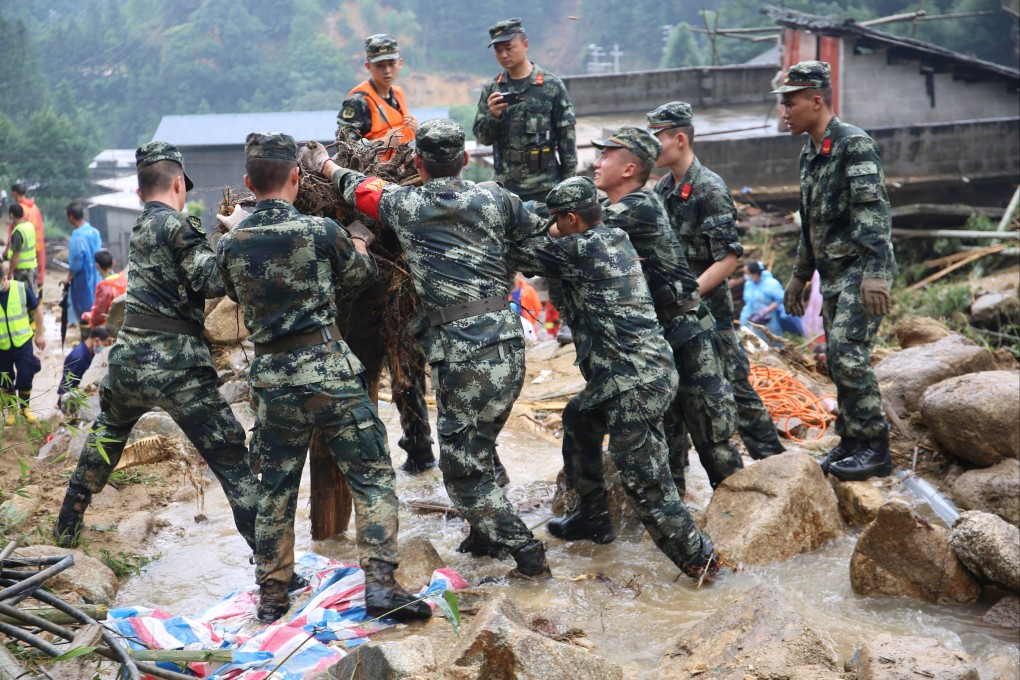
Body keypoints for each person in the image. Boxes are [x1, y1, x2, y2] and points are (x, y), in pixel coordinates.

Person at [299, 119, 551, 579]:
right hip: (509, 345)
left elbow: (361, 189)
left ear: (417, 163)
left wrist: (325, 163)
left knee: (459, 466)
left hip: (463, 352)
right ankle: (483, 536)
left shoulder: (406, 203)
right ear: (465, 160)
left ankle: (527, 553)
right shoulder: (498, 197)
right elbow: (537, 246)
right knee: (480, 442)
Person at [216, 132, 431, 623]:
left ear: (249, 183)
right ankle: (379, 587)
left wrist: (237, 230)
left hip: (272, 382)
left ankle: (272, 597)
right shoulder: (320, 231)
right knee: (373, 476)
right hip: (328, 372)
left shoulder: (232, 244)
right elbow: (362, 275)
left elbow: (225, 286)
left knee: (275, 488)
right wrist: (357, 235)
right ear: (297, 177)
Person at [53, 142, 260, 556]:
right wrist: (239, 232)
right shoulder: (179, 226)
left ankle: (66, 527)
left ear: (138, 192)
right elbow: (212, 281)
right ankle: (273, 565)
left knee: (107, 436)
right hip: (176, 366)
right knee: (231, 457)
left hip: (129, 360)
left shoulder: (142, 226)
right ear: (179, 184)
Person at [514, 176, 718, 580]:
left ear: (571, 219)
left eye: (558, 220)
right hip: (633, 374)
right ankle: (593, 517)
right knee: (578, 418)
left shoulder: (581, 248)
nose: (555, 226)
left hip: (635, 382)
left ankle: (702, 562)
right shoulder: (615, 237)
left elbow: (524, 253)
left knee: (647, 485)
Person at [773, 61, 896, 481]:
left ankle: (876, 447)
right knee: (834, 358)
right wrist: (800, 275)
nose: (784, 113)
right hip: (833, 273)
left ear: (817, 100)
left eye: (790, 103)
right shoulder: (810, 153)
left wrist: (876, 273)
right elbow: (811, 223)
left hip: (861, 270)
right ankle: (853, 438)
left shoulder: (853, 144)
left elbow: (873, 212)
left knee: (848, 352)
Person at [649, 101, 785, 460]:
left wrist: (689, 295)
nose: (651, 147)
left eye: (657, 138)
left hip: (708, 311)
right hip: (675, 313)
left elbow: (727, 258)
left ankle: (774, 459)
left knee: (734, 384)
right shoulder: (663, 189)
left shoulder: (709, 188)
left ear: (679, 139)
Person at [473, 18, 577, 203]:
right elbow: (483, 138)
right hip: (505, 188)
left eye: (509, 48)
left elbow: (566, 138)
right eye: (498, 50)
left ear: (525, 44)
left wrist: (568, 186)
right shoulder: (492, 88)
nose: (503, 55)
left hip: (545, 187)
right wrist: (493, 116)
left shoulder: (551, 85)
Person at [338, 34, 418, 156]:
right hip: (373, 172)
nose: (387, 70)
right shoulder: (358, 101)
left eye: (391, 64)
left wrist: (418, 131)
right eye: (380, 65)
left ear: (400, 63)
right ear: (368, 66)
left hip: (405, 170)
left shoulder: (398, 94)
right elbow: (344, 147)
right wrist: (382, 143)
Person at [0, 262, 45, 426]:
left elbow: (37, 310)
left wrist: (39, 334)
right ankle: (11, 410)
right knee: (4, 380)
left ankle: (25, 408)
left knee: (26, 374)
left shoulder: (20, 288)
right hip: (2, 346)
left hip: (23, 342)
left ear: (4, 278)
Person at [63, 202, 103, 335]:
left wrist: (68, 279)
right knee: (97, 311)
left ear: (70, 217)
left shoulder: (77, 237)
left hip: (83, 282)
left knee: (85, 314)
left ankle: (88, 343)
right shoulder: (95, 232)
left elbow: (76, 263)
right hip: (97, 279)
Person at [58, 326, 112, 414]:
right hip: (71, 402)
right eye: (105, 345)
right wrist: (65, 411)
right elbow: (65, 386)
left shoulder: (88, 352)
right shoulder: (79, 358)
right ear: (97, 341)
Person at [10, 183, 45, 296]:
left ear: (14, 193)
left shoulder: (19, 210)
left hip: (21, 265)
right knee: (34, 292)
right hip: (35, 259)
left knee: (21, 295)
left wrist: (10, 269)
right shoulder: (35, 209)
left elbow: (15, 249)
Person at [739, 261, 786, 341]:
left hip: (767, 319)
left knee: (769, 341)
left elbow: (779, 299)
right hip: (749, 317)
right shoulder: (749, 284)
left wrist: (763, 312)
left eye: (747, 273)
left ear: (755, 273)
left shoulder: (771, 283)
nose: (746, 275)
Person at [82, 249, 128, 328]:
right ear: (113, 263)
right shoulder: (123, 279)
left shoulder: (103, 286)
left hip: (110, 327)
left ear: (97, 265)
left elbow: (99, 315)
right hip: (125, 322)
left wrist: (90, 317)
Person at [6, 204, 39, 299]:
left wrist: (10, 272)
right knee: (32, 294)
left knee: (22, 297)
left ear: (11, 215)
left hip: (22, 270)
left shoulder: (18, 232)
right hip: (33, 267)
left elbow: (16, 254)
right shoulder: (29, 226)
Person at [509, 272, 542, 340]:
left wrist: (530, 319)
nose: (513, 278)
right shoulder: (507, 293)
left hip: (528, 325)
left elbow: (538, 308)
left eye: (515, 275)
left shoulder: (528, 290)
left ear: (519, 275)